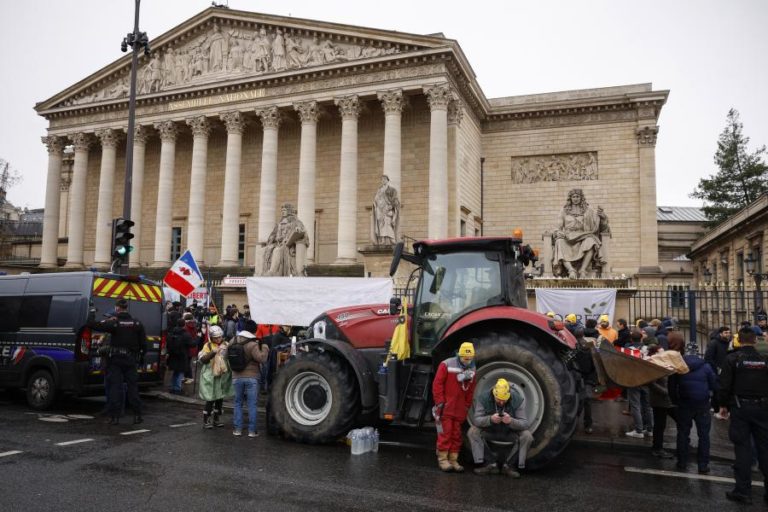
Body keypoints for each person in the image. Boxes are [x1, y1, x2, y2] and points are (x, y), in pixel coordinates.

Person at [717, 326, 768, 505]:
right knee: (765, 449)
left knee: (743, 449)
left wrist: (722, 405)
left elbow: (724, 386)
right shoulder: (764, 358)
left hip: (741, 407)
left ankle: (743, 491)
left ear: (739, 340)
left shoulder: (732, 359)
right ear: (755, 340)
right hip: (763, 408)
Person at [89, 299, 145, 425]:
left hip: (116, 360)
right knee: (132, 388)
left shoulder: (115, 323)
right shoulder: (137, 323)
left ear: (117, 308)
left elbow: (93, 325)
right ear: (126, 308)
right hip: (131, 360)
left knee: (115, 388)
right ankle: (137, 415)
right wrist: (140, 358)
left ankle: (114, 417)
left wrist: (92, 312)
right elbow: (143, 344)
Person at [668, 333, 717, 474]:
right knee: (704, 436)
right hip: (702, 404)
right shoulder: (706, 367)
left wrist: (675, 401)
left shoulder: (679, 366)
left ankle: (682, 462)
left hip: (684, 403)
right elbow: (714, 385)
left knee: (683, 433)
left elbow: (672, 386)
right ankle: (703, 465)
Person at [468, 378, 533, 477]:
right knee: (472, 431)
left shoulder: (517, 400)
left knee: (527, 436)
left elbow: (525, 424)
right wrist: (490, 419)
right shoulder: (483, 398)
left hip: (509, 433)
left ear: (509, 395)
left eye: (504, 400)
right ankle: (490, 464)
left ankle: (509, 466)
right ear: (494, 394)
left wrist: (511, 421)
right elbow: (476, 420)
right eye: (499, 400)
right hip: (490, 431)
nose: (501, 403)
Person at [432, 342, 476, 472]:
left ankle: (453, 460)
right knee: (445, 433)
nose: (467, 361)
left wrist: (466, 406)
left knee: (456, 435)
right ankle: (443, 460)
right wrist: (440, 403)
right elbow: (437, 385)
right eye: (465, 358)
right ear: (459, 355)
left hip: (459, 409)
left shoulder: (472, 370)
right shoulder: (446, 365)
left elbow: (470, 390)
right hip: (446, 408)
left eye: (470, 358)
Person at [551, 188, 609, 278]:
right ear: (570, 198)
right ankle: (571, 270)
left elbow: (599, 226)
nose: (575, 198)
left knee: (591, 240)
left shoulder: (588, 210)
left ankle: (582, 270)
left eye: (577, 196)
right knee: (559, 241)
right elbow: (557, 227)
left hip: (583, 236)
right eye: (573, 197)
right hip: (568, 238)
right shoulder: (564, 210)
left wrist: (603, 217)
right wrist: (558, 232)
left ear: (581, 198)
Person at [229, 321, 269, 437]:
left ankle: (237, 430)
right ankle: (252, 431)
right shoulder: (253, 343)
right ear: (255, 330)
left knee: (237, 403)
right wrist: (265, 347)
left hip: (236, 377)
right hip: (252, 377)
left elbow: (226, 356)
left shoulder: (233, 340)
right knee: (252, 404)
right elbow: (262, 359)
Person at [197, 325, 234, 429]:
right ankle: (206, 419)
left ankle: (216, 419)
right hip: (210, 375)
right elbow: (202, 360)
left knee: (220, 398)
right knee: (210, 398)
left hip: (222, 375)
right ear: (211, 337)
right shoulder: (207, 346)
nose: (218, 339)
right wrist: (213, 352)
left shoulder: (226, 344)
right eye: (215, 337)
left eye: (219, 337)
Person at [647, 338, 677, 459]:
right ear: (655, 354)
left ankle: (658, 447)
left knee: (662, 424)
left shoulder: (661, 363)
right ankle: (657, 448)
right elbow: (651, 383)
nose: (663, 354)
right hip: (660, 400)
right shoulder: (653, 365)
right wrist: (665, 392)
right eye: (661, 352)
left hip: (665, 399)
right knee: (660, 425)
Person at [262, 203, 309, 276]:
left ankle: (272, 271)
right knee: (266, 249)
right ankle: (264, 271)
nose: (282, 212)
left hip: (290, 245)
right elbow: (273, 234)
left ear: (289, 211)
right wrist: (272, 239)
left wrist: (298, 229)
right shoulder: (279, 223)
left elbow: (302, 231)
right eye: (282, 210)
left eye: (284, 210)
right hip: (278, 243)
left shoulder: (296, 222)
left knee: (277, 250)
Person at [625, 328, 653, 438]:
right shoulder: (647, 348)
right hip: (646, 379)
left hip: (633, 379)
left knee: (635, 405)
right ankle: (649, 429)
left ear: (631, 339)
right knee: (647, 406)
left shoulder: (628, 349)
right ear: (641, 338)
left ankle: (638, 430)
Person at [704, 326, 731, 417]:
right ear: (720, 333)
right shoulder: (714, 343)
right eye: (726, 333)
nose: (728, 334)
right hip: (717, 370)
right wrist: (716, 368)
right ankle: (716, 409)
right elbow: (708, 358)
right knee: (717, 390)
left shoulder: (730, 343)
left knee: (726, 388)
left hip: (727, 370)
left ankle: (725, 408)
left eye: (728, 332)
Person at [167, 319, 194, 395]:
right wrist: (198, 338)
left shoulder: (172, 333)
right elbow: (192, 344)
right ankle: (177, 389)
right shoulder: (185, 334)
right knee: (180, 372)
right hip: (182, 355)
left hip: (173, 355)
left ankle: (173, 387)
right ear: (184, 325)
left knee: (175, 372)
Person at [372, 174, 400, 246]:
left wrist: (391, 205)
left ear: (388, 180)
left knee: (388, 223)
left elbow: (395, 199)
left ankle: (392, 239)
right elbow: (376, 199)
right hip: (380, 209)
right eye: (382, 179)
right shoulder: (379, 190)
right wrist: (375, 204)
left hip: (387, 209)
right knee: (381, 225)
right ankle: (382, 239)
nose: (383, 180)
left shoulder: (392, 189)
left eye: (385, 179)